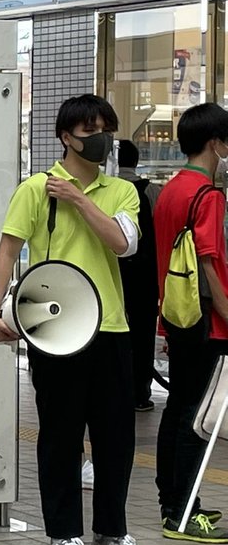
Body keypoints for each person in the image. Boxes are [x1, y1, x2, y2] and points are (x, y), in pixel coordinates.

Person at [0, 94, 151, 545]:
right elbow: (8, 249)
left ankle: (111, 533)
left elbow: (122, 244)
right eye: (89, 131)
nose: (100, 140)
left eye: (106, 131)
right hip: (54, 329)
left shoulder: (122, 191)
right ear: (65, 137)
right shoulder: (36, 189)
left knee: (116, 437)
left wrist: (78, 198)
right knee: (60, 433)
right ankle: (63, 535)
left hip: (111, 326)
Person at [152, 103, 228, 542]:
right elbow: (209, 262)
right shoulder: (208, 195)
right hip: (206, 322)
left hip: (177, 316)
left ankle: (173, 503)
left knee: (178, 409)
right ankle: (183, 514)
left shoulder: (171, 191)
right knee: (197, 417)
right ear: (215, 143)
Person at [117, 140, 160, 413]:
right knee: (143, 334)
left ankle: (115, 390)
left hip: (114, 274)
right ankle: (141, 393)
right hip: (145, 276)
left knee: (114, 332)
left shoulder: (108, 189)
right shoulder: (152, 191)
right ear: (136, 160)